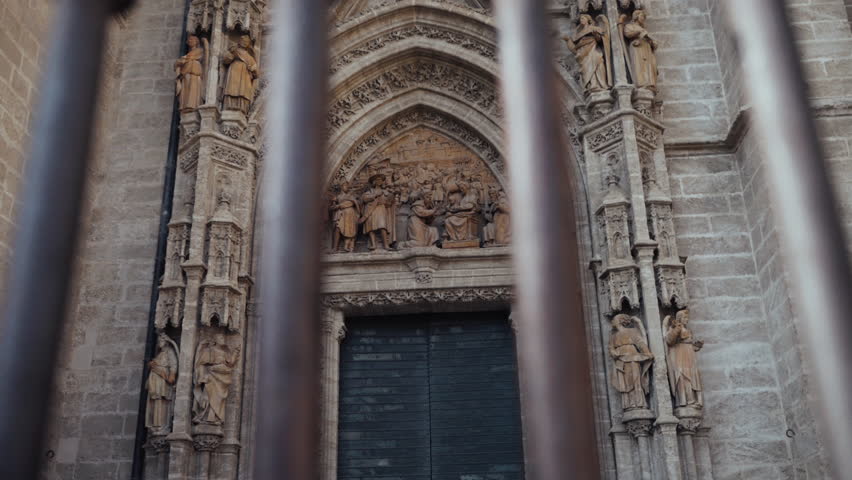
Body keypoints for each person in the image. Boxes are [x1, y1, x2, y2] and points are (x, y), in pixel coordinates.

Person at [193, 334, 240, 425]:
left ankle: (215, 417)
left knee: (218, 397)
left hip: (222, 377)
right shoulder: (209, 350)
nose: (223, 339)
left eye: (223, 338)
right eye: (220, 338)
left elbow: (230, 363)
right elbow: (201, 364)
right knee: (208, 396)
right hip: (211, 376)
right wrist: (203, 376)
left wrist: (236, 352)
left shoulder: (224, 352)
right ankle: (205, 416)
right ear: (215, 340)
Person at [609, 314, 653, 411]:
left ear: (620, 321)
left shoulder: (631, 331)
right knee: (624, 382)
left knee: (635, 379)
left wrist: (646, 352)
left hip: (632, 357)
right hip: (620, 360)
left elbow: (639, 342)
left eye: (614, 319)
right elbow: (611, 348)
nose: (612, 321)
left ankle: (639, 403)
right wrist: (614, 353)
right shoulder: (613, 336)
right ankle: (629, 404)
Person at [665, 309, 704, 408]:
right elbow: (669, 341)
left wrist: (697, 346)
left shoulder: (688, 331)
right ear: (679, 319)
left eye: (687, 318)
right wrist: (676, 329)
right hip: (680, 355)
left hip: (690, 355)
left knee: (693, 376)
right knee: (683, 376)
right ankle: (686, 401)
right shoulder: (674, 328)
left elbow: (690, 345)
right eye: (685, 318)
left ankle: (696, 400)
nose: (687, 320)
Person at [564, 14, 611, 94]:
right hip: (583, 53)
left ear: (587, 19)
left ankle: (600, 85)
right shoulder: (579, 33)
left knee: (598, 61)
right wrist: (568, 40)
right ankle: (592, 85)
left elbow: (600, 39)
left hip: (593, 49)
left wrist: (596, 34)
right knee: (587, 68)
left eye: (583, 18)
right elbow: (575, 47)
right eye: (580, 19)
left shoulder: (593, 28)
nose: (581, 20)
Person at [146, 333, 178, 433]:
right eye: (159, 341)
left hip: (162, 380)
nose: (160, 343)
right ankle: (155, 424)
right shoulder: (160, 353)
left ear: (166, 342)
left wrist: (171, 375)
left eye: (162, 341)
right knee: (155, 401)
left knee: (160, 400)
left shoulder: (170, 352)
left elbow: (173, 365)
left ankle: (160, 424)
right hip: (155, 380)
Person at [622, 9, 658, 92]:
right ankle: (641, 84)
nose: (643, 19)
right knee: (639, 64)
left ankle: (649, 84)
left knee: (649, 65)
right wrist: (639, 31)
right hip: (637, 48)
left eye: (644, 17)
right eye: (642, 16)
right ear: (636, 16)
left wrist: (652, 42)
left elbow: (652, 41)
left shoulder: (644, 29)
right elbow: (627, 33)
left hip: (646, 48)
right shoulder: (630, 26)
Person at [221, 35, 259, 114]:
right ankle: (229, 104)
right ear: (239, 41)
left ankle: (241, 107)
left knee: (243, 90)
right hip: (234, 70)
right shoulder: (235, 51)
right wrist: (231, 54)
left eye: (247, 42)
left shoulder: (250, 57)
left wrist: (252, 69)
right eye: (243, 41)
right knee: (232, 88)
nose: (245, 43)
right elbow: (225, 60)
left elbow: (256, 73)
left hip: (245, 75)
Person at [359, 174, 394, 250]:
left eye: (381, 180)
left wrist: (389, 198)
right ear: (374, 182)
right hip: (370, 211)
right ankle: (373, 244)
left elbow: (388, 202)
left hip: (380, 209)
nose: (379, 181)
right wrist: (375, 195)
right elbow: (364, 199)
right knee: (370, 227)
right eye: (377, 180)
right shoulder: (369, 192)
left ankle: (386, 245)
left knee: (382, 226)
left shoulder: (385, 192)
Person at [175, 36, 205, 112]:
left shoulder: (199, 50)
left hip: (194, 73)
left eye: (191, 39)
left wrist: (182, 60)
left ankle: (192, 106)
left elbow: (186, 58)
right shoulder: (189, 53)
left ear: (196, 42)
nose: (189, 41)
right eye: (188, 40)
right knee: (186, 89)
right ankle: (185, 106)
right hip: (186, 73)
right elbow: (179, 62)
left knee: (193, 89)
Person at [330, 182, 360, 252]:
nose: (347, 187)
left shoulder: (352, 196)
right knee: (337, 229)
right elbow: (331, 208)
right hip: (341, 214)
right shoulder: (337, 197)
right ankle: (335, 247)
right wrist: (335, 204)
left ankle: (349, 247)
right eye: (345, 186)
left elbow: (355, 203)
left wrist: (339, 206)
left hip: (350, 215)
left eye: (348, 186)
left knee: (350, 230)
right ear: (341, 187)